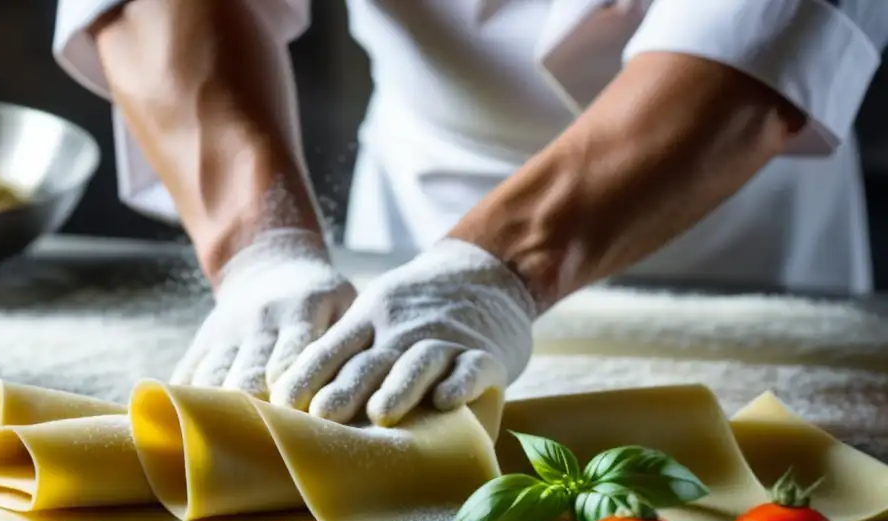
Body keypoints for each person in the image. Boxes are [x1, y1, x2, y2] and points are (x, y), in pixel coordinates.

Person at [54, 0, 887, 428]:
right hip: (424, 174)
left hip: (731, 205)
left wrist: (496, 269)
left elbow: (772, 21)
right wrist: (258, 245)